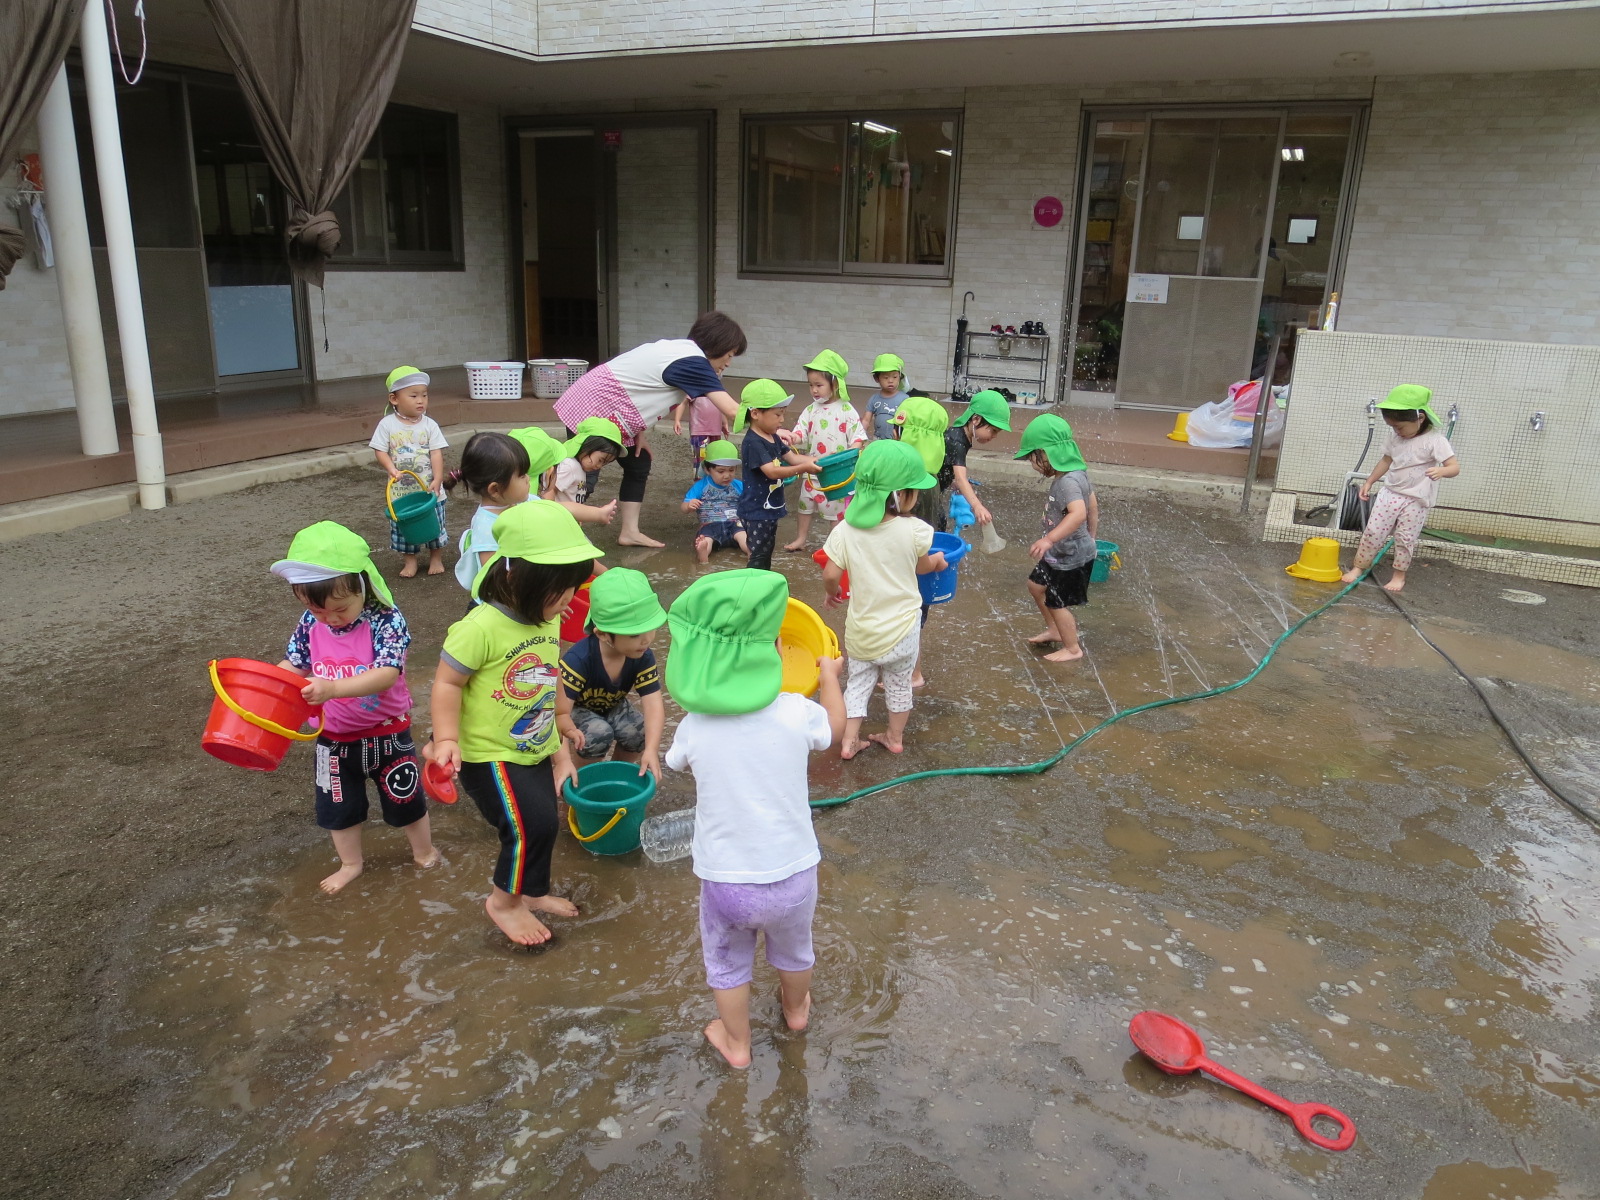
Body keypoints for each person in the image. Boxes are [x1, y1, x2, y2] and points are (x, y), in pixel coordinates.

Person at [662, 569, 845, 1068]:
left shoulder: (696, 725)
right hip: (793, 873)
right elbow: (834, 728)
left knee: (726, 964)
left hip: (727, 880)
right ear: (776, 653)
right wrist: (828, 677)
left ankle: (738, 1044)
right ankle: (796, 1010)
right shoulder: (793, 711)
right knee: (795, 951)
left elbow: (676, 762)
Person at [425, 503, 602, 946]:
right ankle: (503, 902)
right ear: (519, 579)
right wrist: (445, 737)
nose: (568, 602)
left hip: (532, 745)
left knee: (544, 821)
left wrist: (560, 752)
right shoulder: (479, 627)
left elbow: (545, 684)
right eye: (561, 592)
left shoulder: (545, 619)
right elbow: (447, 682)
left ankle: (531, 892)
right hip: (489, 752)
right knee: (530, 826)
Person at [270, 522, 440, 895]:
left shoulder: (387, 619)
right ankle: (351, 863)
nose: (329, 618)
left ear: (362, 586)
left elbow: (386, 673)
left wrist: (333, 688)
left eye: (339, 609)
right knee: (337, 808)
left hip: (388, 733)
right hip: (332, 738)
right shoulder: (309, 625)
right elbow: (293, 666)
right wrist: (264, 689)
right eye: (317, 611)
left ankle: (424, 851)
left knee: (406, 798)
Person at [553, 311, 748, 548]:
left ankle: (629, 532)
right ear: (716, 345)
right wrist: (771, 426)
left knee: (639, 461)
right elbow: (731, 409)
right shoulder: (693, 362)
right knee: (582, 475)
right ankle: (560, 531)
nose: (728, 362)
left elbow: (643, 388)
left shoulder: (680, 351)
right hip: (593, 408)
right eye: (729, 354)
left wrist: (638, 432)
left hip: (613, 412)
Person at [820, 441, 947, 759]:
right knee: (900, 685)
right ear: (901, 495)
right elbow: (921, 565)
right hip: (903, 630)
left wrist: (832, 592)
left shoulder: (845, 531)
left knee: (859, 684)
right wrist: (939, 561)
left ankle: (849, 742)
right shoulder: (916, 530)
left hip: (863, 630)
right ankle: (894, 737)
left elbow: (831, 574)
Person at [1342, 384, 1460, 593]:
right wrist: (1370, 481)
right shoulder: (1395, 438)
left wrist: (1442, 471)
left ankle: (1399, 575)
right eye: (1393, 427)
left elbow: (1454, 467)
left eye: (1400, 427)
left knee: (1405, 538)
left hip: (1416, 499)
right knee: (1372, 532)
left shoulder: (1435, 441)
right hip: (1390, 494)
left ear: (1420, 418)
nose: (1397, 431)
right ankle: (1358, 567)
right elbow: (1386, 461)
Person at [555, 568, 666, 778]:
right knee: (598, 733)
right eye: (634, 634)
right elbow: (558, 716)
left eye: (651, 628)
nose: (646, 640)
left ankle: (618, 776)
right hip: (578, 711)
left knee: (639, 731)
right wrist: (563, 762)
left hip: (613, 706)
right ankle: (584, 778)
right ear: (603, 634)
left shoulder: (642, 654)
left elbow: (653, 703)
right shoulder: (579, 660)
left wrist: (651, 750)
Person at [1016, 414, 1098, 663]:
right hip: (1063, 550)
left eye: (1033, 457)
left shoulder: (1068, 483)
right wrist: (1092, 537)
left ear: (1048, 453)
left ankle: (1072, 648)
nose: (1032, 463)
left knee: (1056, 601)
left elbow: (1079, 513)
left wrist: (1049, 539)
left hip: (1068, 554)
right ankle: (1054, 630)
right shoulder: (1077, 473)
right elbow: (1093, 507)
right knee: (1035, 586)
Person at [784, 350, 867, 553]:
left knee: (836, 510)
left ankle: (835, 545)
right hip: (812, 468)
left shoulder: (846, 410)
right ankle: (801, 538)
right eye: (811, 385)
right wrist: (792, 437)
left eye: (819, 385)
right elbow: (801, 431)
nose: (814, 390)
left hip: (836, 472)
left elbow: (858, 439)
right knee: (805, 504)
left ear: (835, 384)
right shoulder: (811, 410)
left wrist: (847, 458)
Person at [369, 366, 449, 577]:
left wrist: (438, 478)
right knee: (403, 528)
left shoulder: (430, 425)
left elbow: (436, 454)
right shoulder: (387, 425)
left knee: (435, 524)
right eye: (413, 395)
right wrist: (391, 469)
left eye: (424, 395)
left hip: (429, 486)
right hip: (401, 491)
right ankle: (410, 561)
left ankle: (436, 558)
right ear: (394, 399)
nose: (420, 400)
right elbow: (380, 450)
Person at [735, 379, 819, 571]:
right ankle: (754, 586)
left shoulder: (772, 436)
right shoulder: (753, 442)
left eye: (783, 414)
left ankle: (762, 582)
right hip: (755, 510)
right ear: (755, 413)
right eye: (777, 415)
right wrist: (804, 468)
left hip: (768, 508)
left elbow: (792, 458)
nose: (782, 420)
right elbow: (771, 472)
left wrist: (816, 460)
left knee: (766, 550)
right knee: (758, 554)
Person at [445, 431, 532, 593]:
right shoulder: (487, 529)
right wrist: (542, 603)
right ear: (495, 489)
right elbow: (498, 580)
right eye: (521, 476)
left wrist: (595, 514)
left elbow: (561, 509)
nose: (528, 478)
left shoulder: (519, 502)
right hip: (503, 603)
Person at [937, 390, 1011, 532]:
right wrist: (977, 506)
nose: (994, 436)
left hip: (931, 488)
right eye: (993, 430)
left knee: (938, 522)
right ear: (976, 419)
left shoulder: (959, 435)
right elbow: (961, 478)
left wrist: (950, 479)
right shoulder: (958, 441)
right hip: (926, 491)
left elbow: (945, 464)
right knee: (936, 524)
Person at [682, 439, 747, 562]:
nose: (727, 475)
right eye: (721, 471)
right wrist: (689, 505)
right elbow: (684, 506)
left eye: (731, 470)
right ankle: (703, 552)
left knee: (743, 535)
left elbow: (751, 501)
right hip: (710, 524)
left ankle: (751, 551)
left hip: (734, 522)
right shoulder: (701, 486)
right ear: (707, 469)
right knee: (706, 539)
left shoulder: (739, 485)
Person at [547, 422, 625, 525]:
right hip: (556, 522)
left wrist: (578, 514)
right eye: (600, 460)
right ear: (587, 446)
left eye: (604, 463)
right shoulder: (569, 466)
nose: (599, 466)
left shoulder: (579, 467)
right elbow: (548, 492)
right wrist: (549, 517)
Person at [673, 390, 730, 480]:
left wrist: (724, 423)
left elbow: (721, 407)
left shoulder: (717, 389)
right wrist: (677, 420)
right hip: (699, 431)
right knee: (700, 459)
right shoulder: (695, 387)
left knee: (714, 458)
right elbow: (682, 403)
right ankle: (699, 484)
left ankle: (712, 482)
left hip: (715, 431)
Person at [866, 353, 909, 441]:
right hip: (877, 439)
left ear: (900, 377)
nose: (890, 381)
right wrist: (860, 436)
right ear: (876, 378)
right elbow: (866, 420)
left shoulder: (905, 399)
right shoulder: (874, 399)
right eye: (886, 377)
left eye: (894, 377)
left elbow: (909, 422)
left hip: (897, 441)